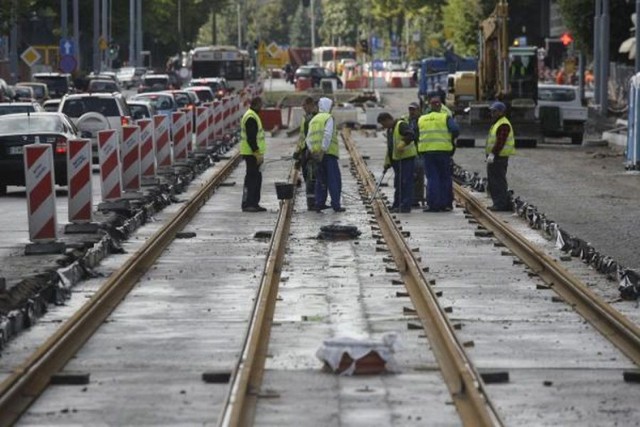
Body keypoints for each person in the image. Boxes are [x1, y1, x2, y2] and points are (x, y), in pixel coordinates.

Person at [418, 94, 459, 212]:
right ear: (440, 106)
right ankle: (446, 204)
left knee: (432, 178)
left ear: (430, 106)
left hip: (427, 152)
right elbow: (455, 130)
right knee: (445, 178)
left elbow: (417, 134)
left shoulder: (422, 119)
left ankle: (433, 205)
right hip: (443, 151)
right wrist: (450, 140)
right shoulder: (445, 117)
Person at [306, 97, 344, 212]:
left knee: (320, 180)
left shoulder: (313, 119)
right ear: (328, 106)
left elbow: (308, 138)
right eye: (331, 106)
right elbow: (327, 135)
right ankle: (336, 205)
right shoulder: (328, 118)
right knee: (334, 180)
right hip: (328, 154)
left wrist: (313, 151)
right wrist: (323, 150)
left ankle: (319, 203)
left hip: (316, 155)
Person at [377, 112, 416, 213]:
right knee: (398, 184)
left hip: (406, 159)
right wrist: (387, 161)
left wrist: (402, 143)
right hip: (397, 160)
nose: (383, 126)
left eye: (383, 124)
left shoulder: (401, 125)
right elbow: (390, 147)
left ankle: (405, 206)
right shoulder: (390, 130)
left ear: (388, 119)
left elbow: (411, 135)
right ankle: (397, 204)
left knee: (406, 183)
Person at [485, 101, 515, 211]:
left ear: (501, 112)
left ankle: (500, 204)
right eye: (492, 111)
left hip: (499, 157)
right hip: (496, 157)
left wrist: (493, 154)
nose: (492, 114)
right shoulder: (498, 123)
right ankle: (500, 203)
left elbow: (500, 142)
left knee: (497, 181)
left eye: (495, 111)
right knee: (495, 180)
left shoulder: (503, 124)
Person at [240, 97, 267, 212]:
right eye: (261, 105)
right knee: (252, 179)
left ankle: (254, 203)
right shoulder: (251, 117)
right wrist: (257, 153)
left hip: (252, 153)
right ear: (257, 104)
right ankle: (249, 203)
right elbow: (251, 138)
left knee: (256, 178)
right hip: (251, 154)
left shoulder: (251, 115)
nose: (262, 107)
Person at [293, 96, 318, 210]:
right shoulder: (305, 118)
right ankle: (311, 202)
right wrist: (297, 152)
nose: (303, 108)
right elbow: (302, 137)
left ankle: (312, 203)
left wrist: (308, 151)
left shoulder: (314, 118)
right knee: (308, 177)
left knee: (311, 178)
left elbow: (311, 137)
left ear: (310, 104)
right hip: (304, 152)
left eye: (304, 106)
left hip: (310, 153)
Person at [406, 102, 424, 207]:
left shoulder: (422, 121)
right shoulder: (407, 121)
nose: (412, 112)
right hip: (409, 152)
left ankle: (416, 198)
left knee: (418, 175)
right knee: (410, 176)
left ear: (418, 110)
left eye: (413, 110)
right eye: (410, 110)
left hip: (419, 151)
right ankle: (411, 198)